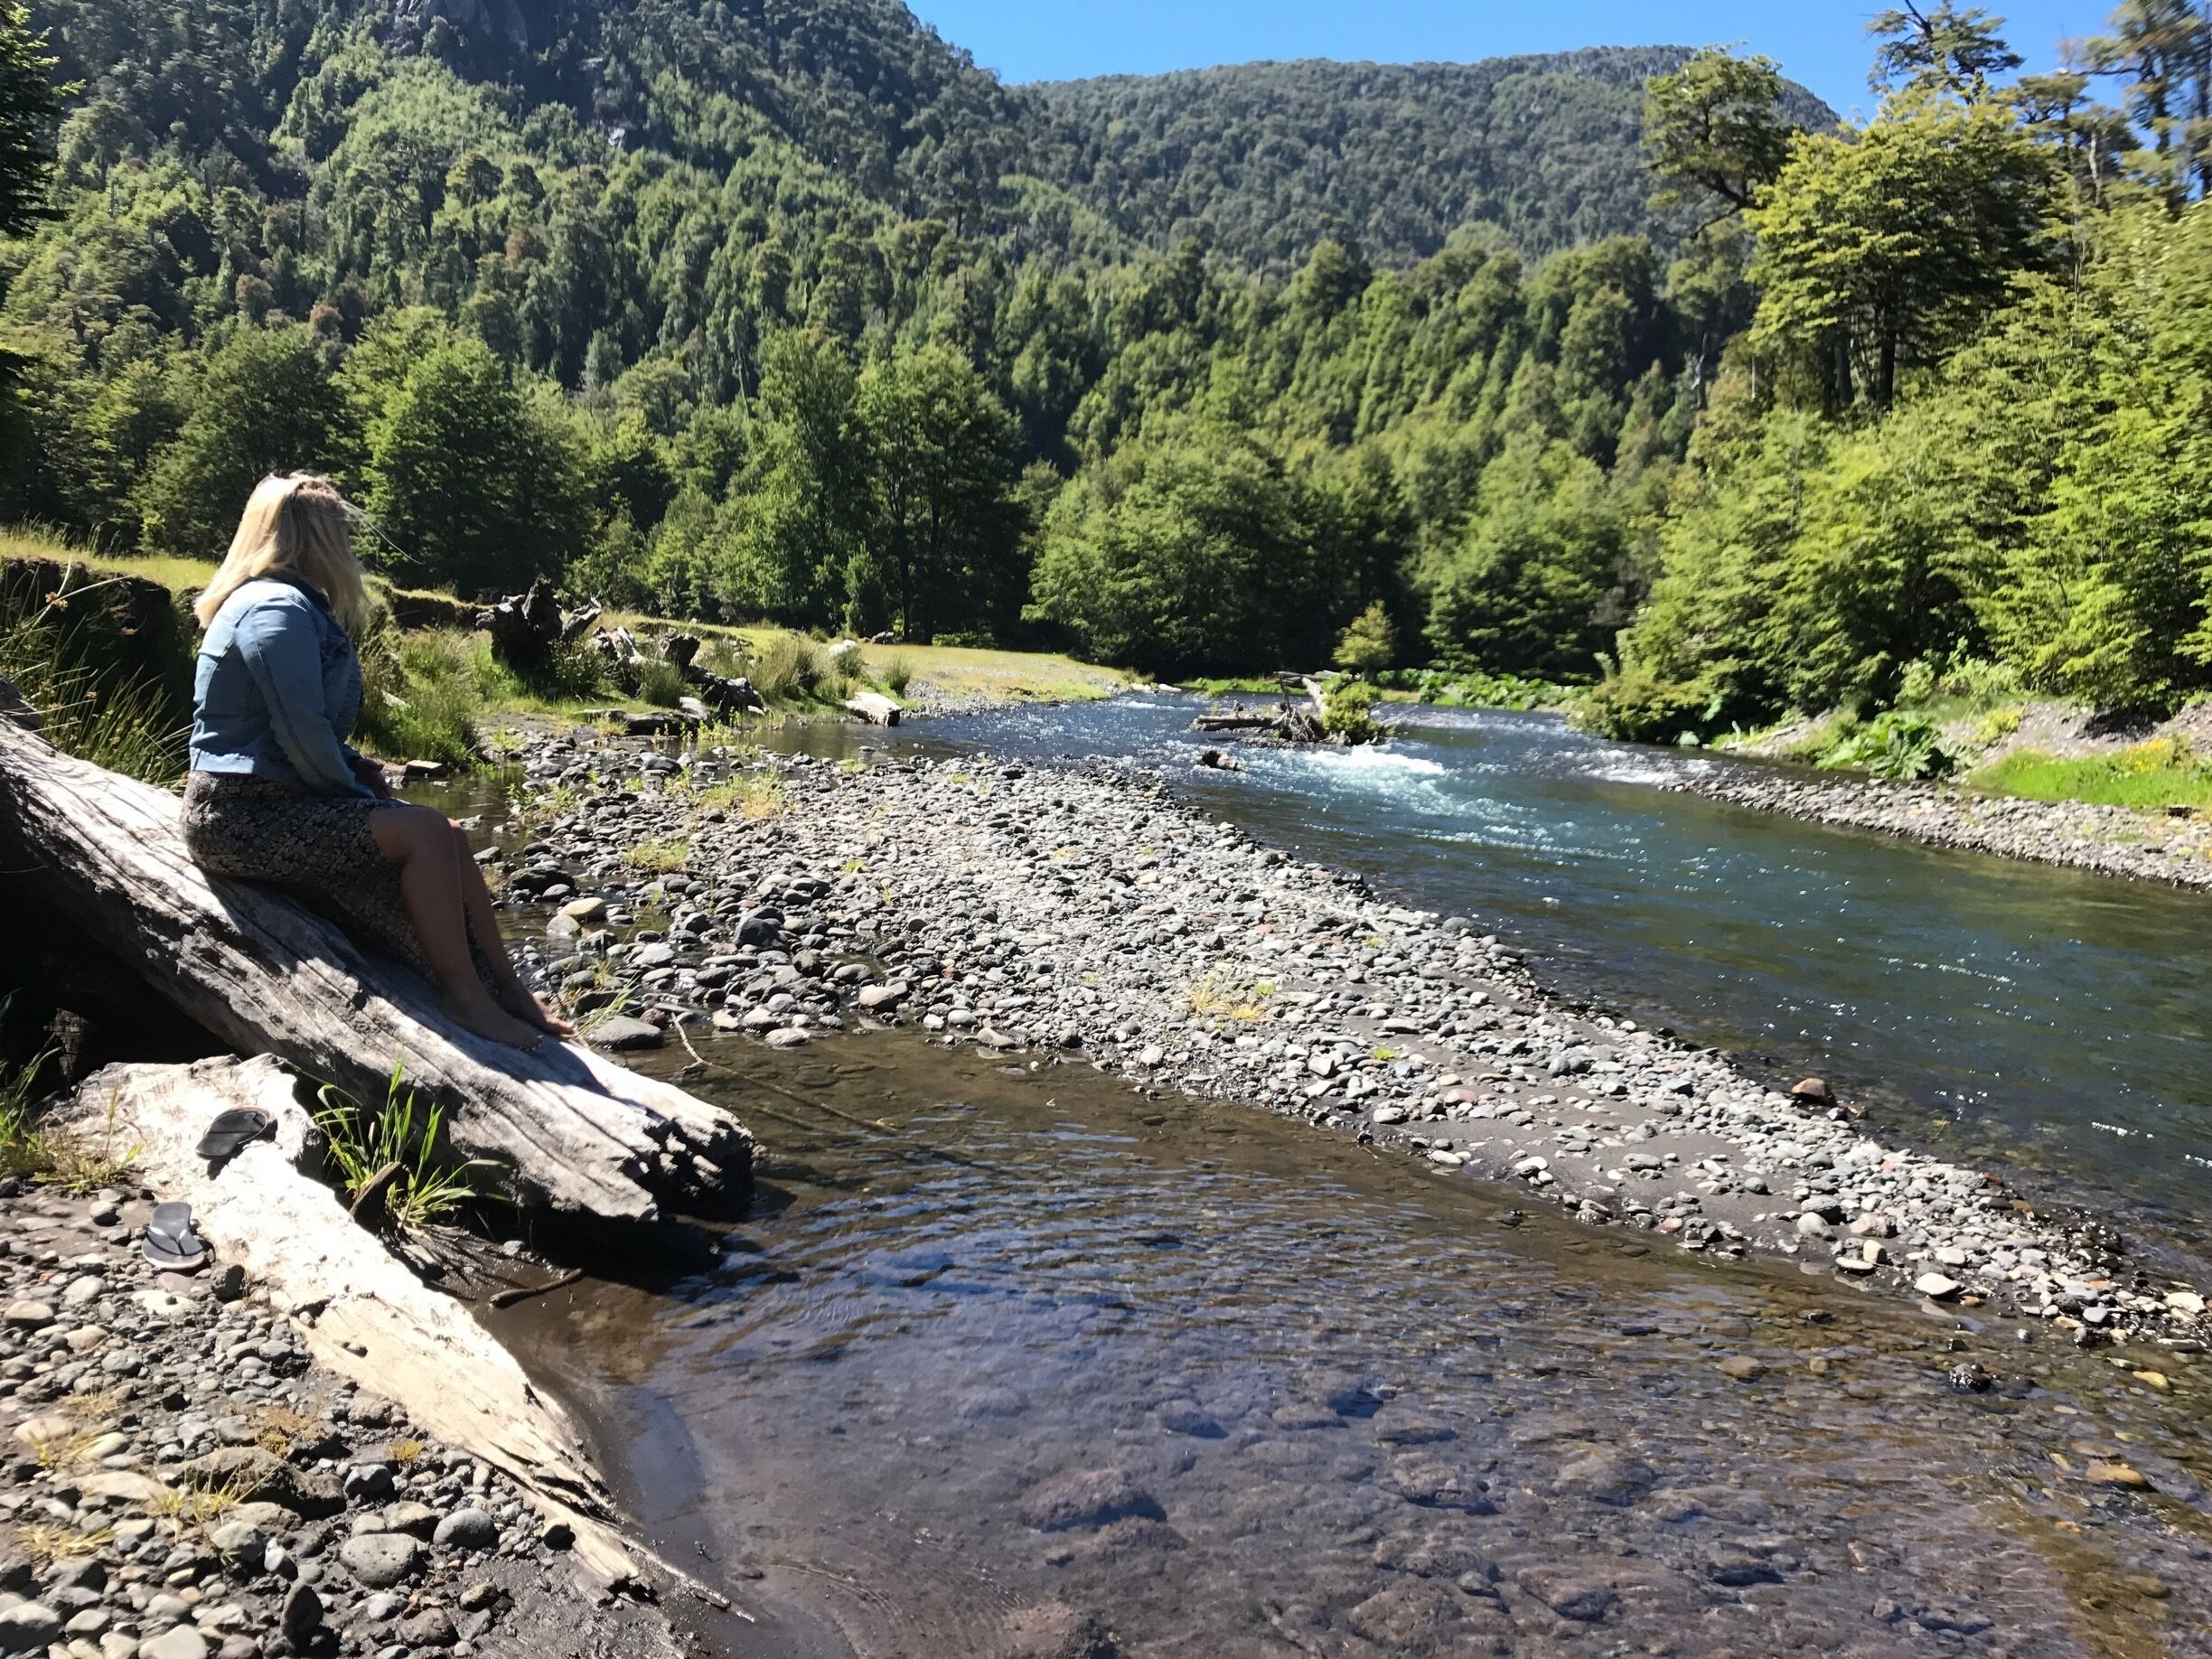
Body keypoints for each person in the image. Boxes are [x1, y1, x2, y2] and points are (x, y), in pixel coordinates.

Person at [179, 473, 568, 1051]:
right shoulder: (274, 608)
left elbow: (287, 728)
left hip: (269, 804)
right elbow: (301, 730)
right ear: (313, 537)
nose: (348, 546)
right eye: (340, 531)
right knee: (425, 833)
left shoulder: (284, 603)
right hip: (239, 817)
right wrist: (356, 792)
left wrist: (354, 765)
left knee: (449, 832)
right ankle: (464, 995)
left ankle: (508, 988)